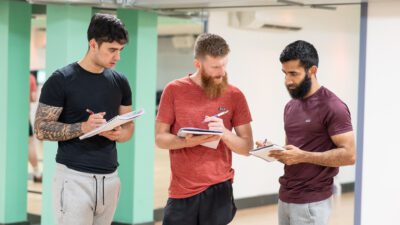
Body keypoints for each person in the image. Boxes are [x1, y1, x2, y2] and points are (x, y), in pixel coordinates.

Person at [34, 13, 133, 225]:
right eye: (112, 50)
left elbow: (128, 127)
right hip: (73, 178)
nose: (117, 57)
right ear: (93, 44)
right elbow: (41, 129)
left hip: (110, 178)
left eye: (120, 50)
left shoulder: (120, 81)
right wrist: (83, 127)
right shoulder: (61, 80)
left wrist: (120, 132)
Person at [155, 33, 254, 225]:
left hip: (218, 190)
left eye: (225, 64)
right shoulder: (173, 90)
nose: (222, 72)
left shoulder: (235, 95)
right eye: (215, 67)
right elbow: (160, 138)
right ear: (198, 64)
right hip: (181, 191)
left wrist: (224, 133)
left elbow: (247, 147)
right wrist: (185, 141)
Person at [257, 40, 356, 225]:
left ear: (312, 70)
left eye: (293, 73)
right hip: (286, 196)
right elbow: (292, 155)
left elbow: (349, 156)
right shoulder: (290, 106)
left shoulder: (333, 106)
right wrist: (274, 151)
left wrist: (303, 156)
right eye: (285, 73)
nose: (287, 80)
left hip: (312, 202)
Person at [29, 73, 42, 182]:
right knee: (29, 144)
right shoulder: (30, 78)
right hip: (22, 116)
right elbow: (33, 98)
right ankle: (37, 172)